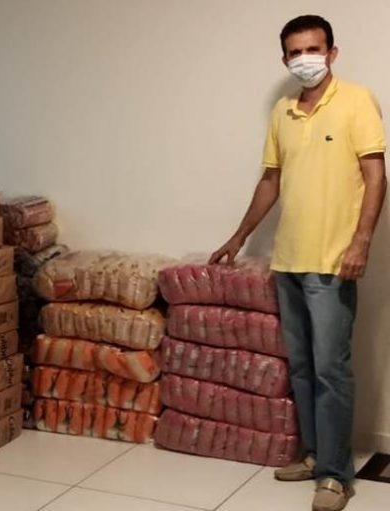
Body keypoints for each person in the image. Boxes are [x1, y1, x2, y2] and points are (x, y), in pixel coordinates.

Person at [210, 15, 386, 511]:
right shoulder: (283, 111)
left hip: (333, 262)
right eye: (295, 52)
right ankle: (314, 455)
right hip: (288, 260)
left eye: (314, 49)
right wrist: (239, 237)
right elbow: (271, 181)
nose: (305, 58)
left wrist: (361, 243)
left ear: (332, 52)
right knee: (304, 367)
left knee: (332, 369)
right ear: (285, 59)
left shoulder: (357, 101)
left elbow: (376, 177)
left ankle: (335, 476)